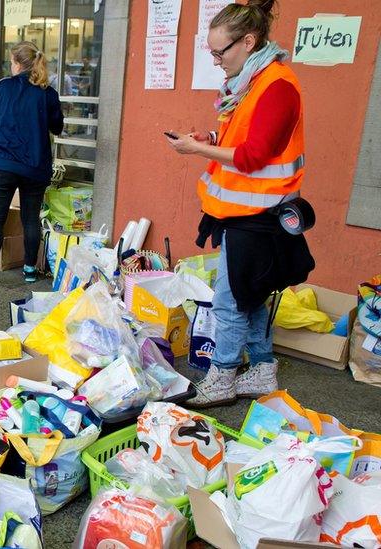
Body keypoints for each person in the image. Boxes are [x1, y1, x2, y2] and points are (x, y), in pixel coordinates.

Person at [166, 0, 313, 407]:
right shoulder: (252, 81)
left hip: (259, 214)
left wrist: (197, 150)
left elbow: (255, 156)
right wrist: (210, 141)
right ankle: (263, 370)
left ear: (248, 42)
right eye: (211, 52)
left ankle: (223, 377)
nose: (215, 61)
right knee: (252, 293)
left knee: (230, 298)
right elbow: (240, 143)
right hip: (247, 212)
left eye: (220, 52)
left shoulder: (277, 85)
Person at [0, 41, 63, 288]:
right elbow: (58, 127)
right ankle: (30, 270)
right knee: (31, 219)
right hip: (36, 166)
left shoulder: (2, 88)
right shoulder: (48, 93)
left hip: (4, 164)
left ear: (17, 63)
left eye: (11, 61)